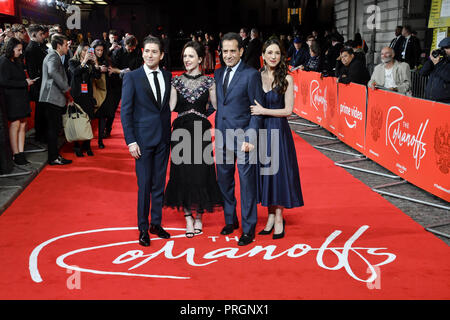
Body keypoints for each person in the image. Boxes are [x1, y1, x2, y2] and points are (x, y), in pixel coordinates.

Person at [164, 41, 223, 238]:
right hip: (180, 132)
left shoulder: (209, 82)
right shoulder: (176, 81)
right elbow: (170, 106)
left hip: (201, 132)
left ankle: (199, 216)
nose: (187, 60)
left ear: (199, 59)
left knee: (201, 174)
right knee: (182, 175)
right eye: (185, 56)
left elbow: (217, 106)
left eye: (191, 56)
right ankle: (188, 217)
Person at [249, 38, 304, 239]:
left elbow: (288, 110)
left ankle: (279, 217)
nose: (273, 56)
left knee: (278, 175)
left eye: (277, 53)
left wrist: (263, 110)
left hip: (278, 130)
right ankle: (270, 215)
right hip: (261, 131)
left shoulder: (287, 79)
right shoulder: (256, 77)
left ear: (282, 56)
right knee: (266, 174)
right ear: (262, 55)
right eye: (269, 53)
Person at [120, 36, 172, 247]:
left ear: (161, 55)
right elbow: (126, 111)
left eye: (154, 52)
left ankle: (156, 224)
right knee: (144, 185)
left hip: (163, 139)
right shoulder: (132, 77)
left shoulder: (167, 76)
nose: (149, 55)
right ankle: (143, 228)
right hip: (141, 141)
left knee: (159, 184)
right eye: (146, 51)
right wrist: (130, 141)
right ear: (142, 52)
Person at [214, 32, 265, 246]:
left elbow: (257, 110)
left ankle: (248, 227)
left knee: (246, 184)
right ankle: (230, 220)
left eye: (232, 51)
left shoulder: (251, 74)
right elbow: (219, 104)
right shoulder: (217, 74)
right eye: (225, 51)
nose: (228, 55)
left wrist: (251, 138)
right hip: (222, 136)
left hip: (243, 138)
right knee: (224, 182)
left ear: (241, 51)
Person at [39, 34, 74, 166]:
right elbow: (53, 71)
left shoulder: (54, 56)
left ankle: (54, 156)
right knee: (53, 129)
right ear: (59, 46)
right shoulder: (53, 56)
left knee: (54, 128)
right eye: (65, 45)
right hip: (51, 97)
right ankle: (53, 157)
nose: (67, 47)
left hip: (53, 97)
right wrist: (66, 89)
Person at [0, 38, 34, 165]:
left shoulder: (17, 60)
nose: (20, 52)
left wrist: (26, 82)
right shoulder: (3, 61)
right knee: (15, 125)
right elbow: (3, 81)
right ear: (11, 49)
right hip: (12, 98)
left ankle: (21, 152)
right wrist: (24, 83)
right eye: (18, 50)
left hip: (21, 96)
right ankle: (16, 153)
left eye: (21, 49)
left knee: (23, 124)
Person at [105, 35, 143, 139]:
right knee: (112, 108)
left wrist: (131, 73)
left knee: (135, 109)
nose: (131, 50)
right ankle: (107, 130)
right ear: (125, 45)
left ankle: (137, 131)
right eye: (129, 48)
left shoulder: (137, 52)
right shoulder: (117, 52)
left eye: (133, 48)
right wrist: (122, 71)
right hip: (117, 83)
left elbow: (140, 67)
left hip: (132, 83)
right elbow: (112, 68)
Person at [68, 43, 102, 157]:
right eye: (85, 50)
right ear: (80, 51)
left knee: (89, 119)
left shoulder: (90, 63)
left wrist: (96, 63)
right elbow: (75, 72)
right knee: (77, 120)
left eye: (89, 51)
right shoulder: (72, 62)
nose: (87, 53)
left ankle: (87, 145)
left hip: (88, 95)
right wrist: (84, 61)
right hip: (77, 94)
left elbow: (97, 76)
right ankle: (77, 145)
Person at [25, 24, 48, 145]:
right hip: (38, 85)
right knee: (40, 112)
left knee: (42, 111)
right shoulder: (31, 48)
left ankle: (42, 135)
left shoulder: (38, 47)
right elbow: (33, 71)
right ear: (33, 34)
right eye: (40, 34)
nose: (43, 36)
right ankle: (40, 136)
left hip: (41, 84)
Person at [90, 39, 111, 149]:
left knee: (102, 116)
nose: (100, 52)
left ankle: (100, 140)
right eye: (98, 50)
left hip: (103, 90)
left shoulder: (105, 60)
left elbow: (106, 75)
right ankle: (87, 142)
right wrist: (97, 68)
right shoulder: (88, 60)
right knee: (90, 116)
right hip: (91, 90)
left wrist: (107, 70)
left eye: (102, 50)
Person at [420, 37, 450, 103]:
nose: (444, 50)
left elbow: (448, 77)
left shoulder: (438, 63)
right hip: (430, 99)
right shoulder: (440, 61)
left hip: (445, 102)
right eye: (442, 48)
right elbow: (422, 72)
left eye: (447, 48)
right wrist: (431, 60)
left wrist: (437, 64)